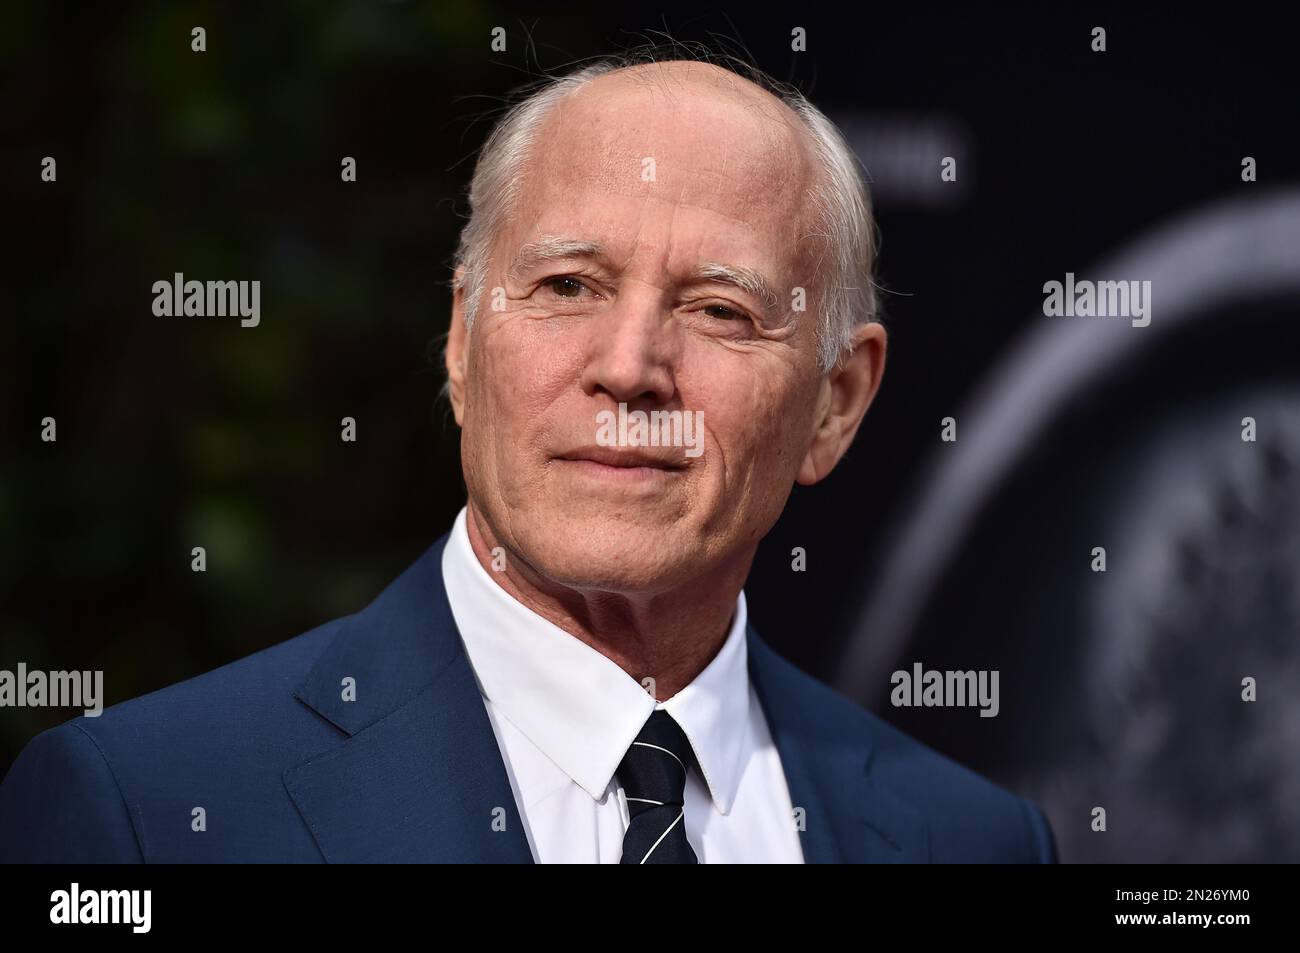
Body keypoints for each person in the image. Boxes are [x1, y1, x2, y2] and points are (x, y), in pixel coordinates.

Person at [0, 52, 1057, 864]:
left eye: (718, 308)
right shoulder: (147, 809)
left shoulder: (972, 841)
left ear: (834, 403)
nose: (630, 366)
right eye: (567, 287)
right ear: (461, 340)